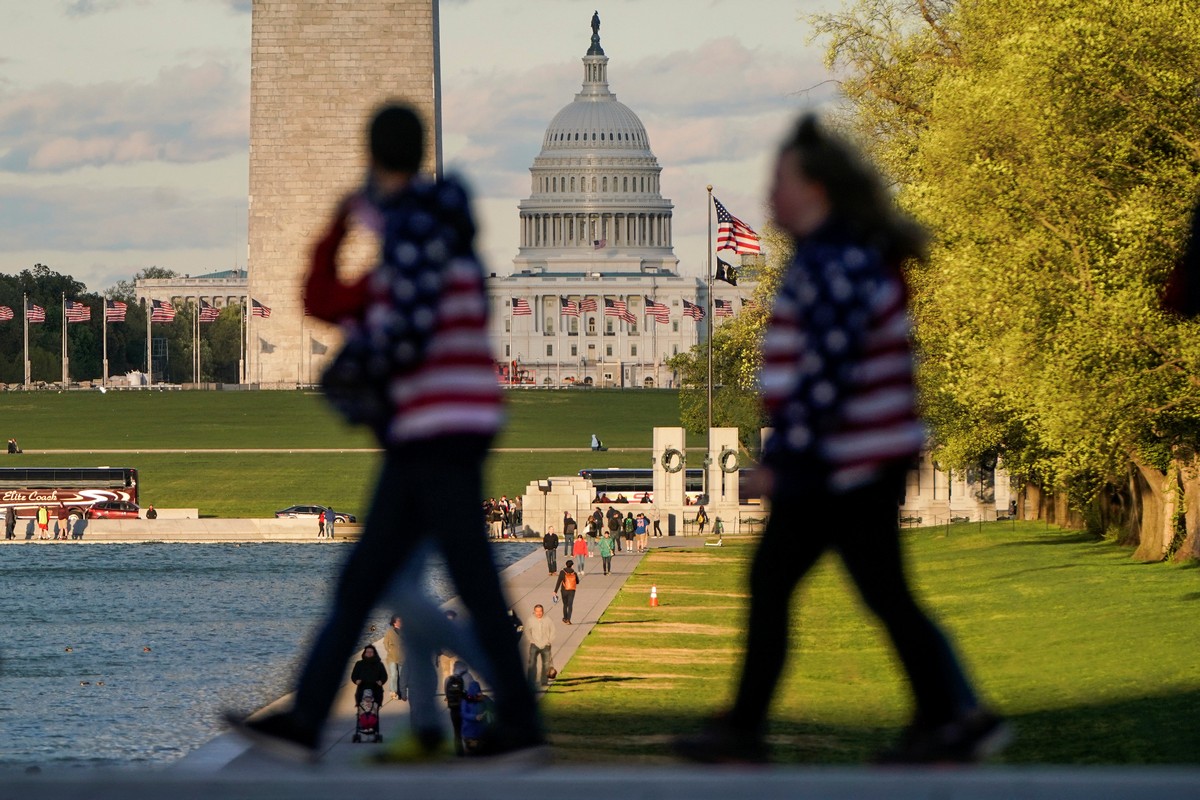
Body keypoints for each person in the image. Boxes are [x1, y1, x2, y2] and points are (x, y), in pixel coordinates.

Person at [673, 114, 1008, 765]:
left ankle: (751, 729)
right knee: (851, 589)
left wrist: (785, 463)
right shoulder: (837, 256)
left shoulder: (834, 262)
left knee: (793, 585)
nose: (770, 198)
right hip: (853, 458)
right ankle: (944, 721)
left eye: (781, 183)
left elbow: (827, 372)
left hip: (845, 461)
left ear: (816, 190)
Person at [226, 101, 542, 761]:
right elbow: (344, 303)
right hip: (455, 425)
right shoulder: (446, 234)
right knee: (420, 579)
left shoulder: (409, 239)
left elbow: (334, 302)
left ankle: (310, 721)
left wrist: (346, 220)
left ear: (373, 157)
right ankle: (311, 719)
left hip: (431, 430)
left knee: (392, 579)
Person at [444, 660, 475, 756]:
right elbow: (472, 692)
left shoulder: (448, 679)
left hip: (454, 708)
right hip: (466, 708)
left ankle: (459, 752)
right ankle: (470, 750)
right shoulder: (468, 677)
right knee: (468, 729)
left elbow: (447, 693)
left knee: (457, 732)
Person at [460, 681, 495, 755]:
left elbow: (493, 706)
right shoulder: (466, 700)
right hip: (469, 732)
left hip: (481, 731)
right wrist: (475, 717)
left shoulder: (483, 698)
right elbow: (464, 713)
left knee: (483, 750)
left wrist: (485, 700)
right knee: (472, 751)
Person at [525, 603, 554, 688]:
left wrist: (549, 641)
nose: (538, 613)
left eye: (540, 611)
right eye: (537, 611)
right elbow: (527, 631)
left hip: (546, 645)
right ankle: (531, 681)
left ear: (543, 611)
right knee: (532, 663)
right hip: (534, 645)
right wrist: (531, 640)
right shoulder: (530, 620)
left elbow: (552, 631)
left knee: (546, 664)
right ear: (534, 612)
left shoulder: (548, 620)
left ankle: (544, 681)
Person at [383, 615, 404, 701]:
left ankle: (399, 691)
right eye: (399, 621)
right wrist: (390, 650)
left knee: (400, 675)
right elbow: (385, 643)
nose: (401, 622)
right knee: (394, 674)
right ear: (394, 622)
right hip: (392, 657)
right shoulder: (389, 632)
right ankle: (393, 692)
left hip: (402, 657)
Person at [553, 559, 580, 625]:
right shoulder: (574, 573)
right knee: (570, 605)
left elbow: (559, 581)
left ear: (566, 565)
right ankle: (568, 619)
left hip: (564, 590)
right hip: (572, 590)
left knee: (565, 605)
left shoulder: (562, 572)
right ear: (572, 566)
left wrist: (555, 591)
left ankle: (565, 618)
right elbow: (577, 582)